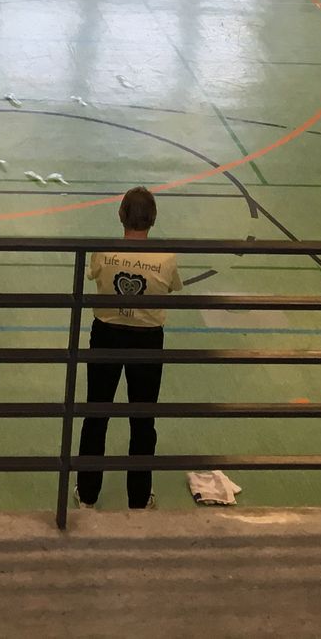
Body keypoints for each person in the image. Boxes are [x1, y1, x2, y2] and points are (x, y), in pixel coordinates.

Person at [77, 186, 183, 511]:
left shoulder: (104, 252)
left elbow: (93, 276)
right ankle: (138, 500)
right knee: (142, 419)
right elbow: (172, 287)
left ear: (120, 215)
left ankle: (87, 494)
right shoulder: (166, 258)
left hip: (106, 336)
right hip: (147, 340)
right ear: (153, 219)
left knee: (96, 414)